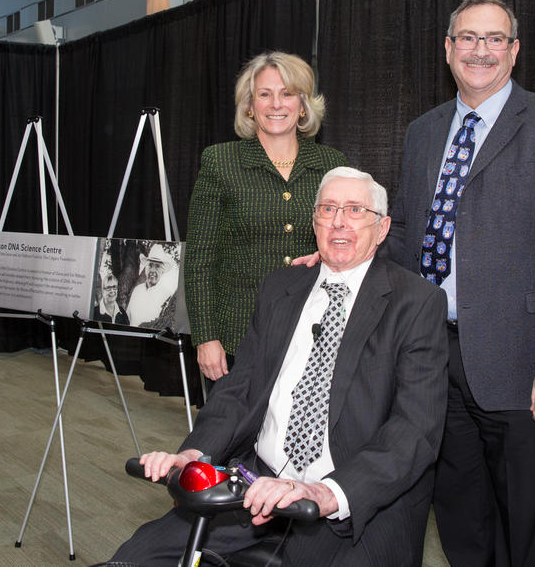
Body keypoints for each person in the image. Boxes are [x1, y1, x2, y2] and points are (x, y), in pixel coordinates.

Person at [110, 167, 448, 566]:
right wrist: (195, 455)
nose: (339, 221)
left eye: (355, 210)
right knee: (135, 557)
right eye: (328, 209)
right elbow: (240, 389)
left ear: (382, 227)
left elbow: (415, 428)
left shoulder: (415, 303)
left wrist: (326, 494)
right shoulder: (280, 288)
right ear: (314, 221)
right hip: (255, 486)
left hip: (348, 506)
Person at [386, 0, 535, 566]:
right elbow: (407, 233)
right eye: (467, 38)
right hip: (435, 357)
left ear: (514, 51)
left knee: (527, 525)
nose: (479, 51)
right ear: (447, 48)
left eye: (493, 40)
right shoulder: (422, 132)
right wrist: (342, 254)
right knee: (460, 518)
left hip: (523, 363)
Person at [186, 51, 346, 382]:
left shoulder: (332, 164)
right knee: (234, 433)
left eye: (287, 93)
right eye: (265, 94)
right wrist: (205, 337)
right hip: (238, 338)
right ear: (249, 105)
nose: (276, 104)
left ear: (303, 105)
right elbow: (200, 260)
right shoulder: (220, 162)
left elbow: (349, 237)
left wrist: (331, 251)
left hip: (311, 332)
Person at [125, 243, 180, 330]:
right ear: (145, 268)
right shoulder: (137, 290)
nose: (153, 270)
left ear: (163, 271)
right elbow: (127, 318)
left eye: (157, 266)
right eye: (150, 265)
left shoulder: (167, 295)